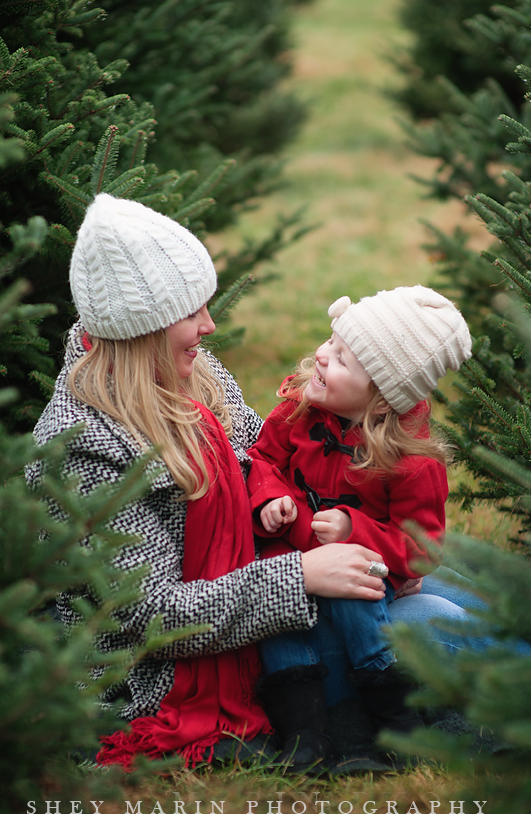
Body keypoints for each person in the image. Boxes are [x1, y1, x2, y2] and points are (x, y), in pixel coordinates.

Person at [28, 193, 390, 770]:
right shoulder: (83, 446)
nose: (209, 325)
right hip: (163, 676)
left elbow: (262, 462)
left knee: (417, 587)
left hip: (253, 600)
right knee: (421, 629)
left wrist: (338, 511)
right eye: (192, 311)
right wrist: (301, 576)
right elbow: (151, 617)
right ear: (142, 327)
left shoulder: (193, 373)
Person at [245, 287, 472, 767]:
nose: (322, 356)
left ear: (382, 400)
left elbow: (422, 552)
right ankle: (306, 732)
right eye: (331, 341)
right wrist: (271, 497)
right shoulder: (299, 412)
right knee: (278, 615)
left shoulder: (411, 464)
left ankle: (388, 713)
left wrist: (356, 531)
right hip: (292, 566)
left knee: (363, 589)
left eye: (343, 359)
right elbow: (262, 458)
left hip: (357, 588)